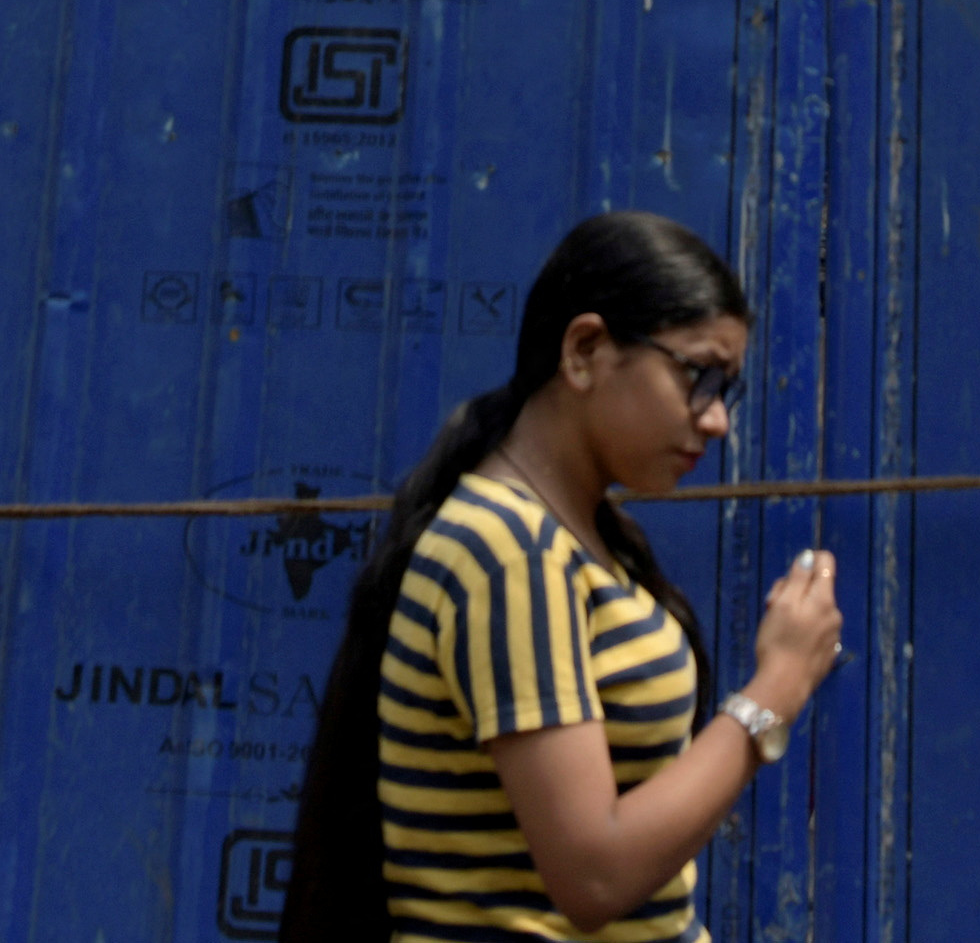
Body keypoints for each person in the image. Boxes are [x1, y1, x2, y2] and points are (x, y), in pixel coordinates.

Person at [281, 212, 844, 940]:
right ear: (584, 350)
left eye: (725, 390)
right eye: (698, 376)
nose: (716, 422)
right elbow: (594, 871)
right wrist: (777, 689)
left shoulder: (579, 538)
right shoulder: (508, 553)